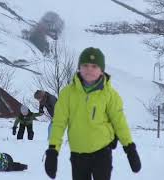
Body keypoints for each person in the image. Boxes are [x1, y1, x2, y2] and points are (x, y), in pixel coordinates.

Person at [44, 47, 141, 180]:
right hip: (78, 154)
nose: (89, 69)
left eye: (94, 66)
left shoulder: (110, 95)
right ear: (79, 68)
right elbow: (59, 123)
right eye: (85, 65)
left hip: (102, 152)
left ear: (101, 70)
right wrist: (53, 151)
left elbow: (119, 122)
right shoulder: (67, 93)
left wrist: (129, 148)